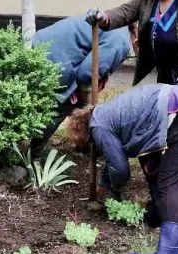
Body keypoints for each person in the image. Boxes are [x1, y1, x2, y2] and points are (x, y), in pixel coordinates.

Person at [67, 83, 178, 254]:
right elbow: (113, 157)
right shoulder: (105, 115)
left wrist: (114, 190)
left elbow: (120, 170)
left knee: (170, 182)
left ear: (85, 134)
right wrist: (104, 188)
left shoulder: (98, 126)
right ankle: (157, 216)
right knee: (156, 170)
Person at [28, 15, 133, 158]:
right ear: (138, 32)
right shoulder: (121, 41)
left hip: (42, 44)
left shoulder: (117, 27)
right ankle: (34, 155)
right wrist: (86, 103)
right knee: (61, 106)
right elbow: (86, 74)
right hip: (53, 59)